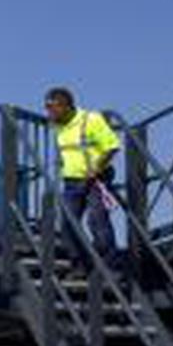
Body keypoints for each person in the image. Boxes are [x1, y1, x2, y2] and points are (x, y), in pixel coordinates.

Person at [44, 86, 125, 277]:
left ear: (65, 106)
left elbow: (112, 146)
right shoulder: (58, 126)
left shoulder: (92, 120)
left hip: (96, 179)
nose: (48, 113)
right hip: (71, 182)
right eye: (47, 108)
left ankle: (110, 266)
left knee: (97, 221)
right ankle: (79, 265)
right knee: (67, 224)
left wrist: (96, 168)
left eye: (52, 108)